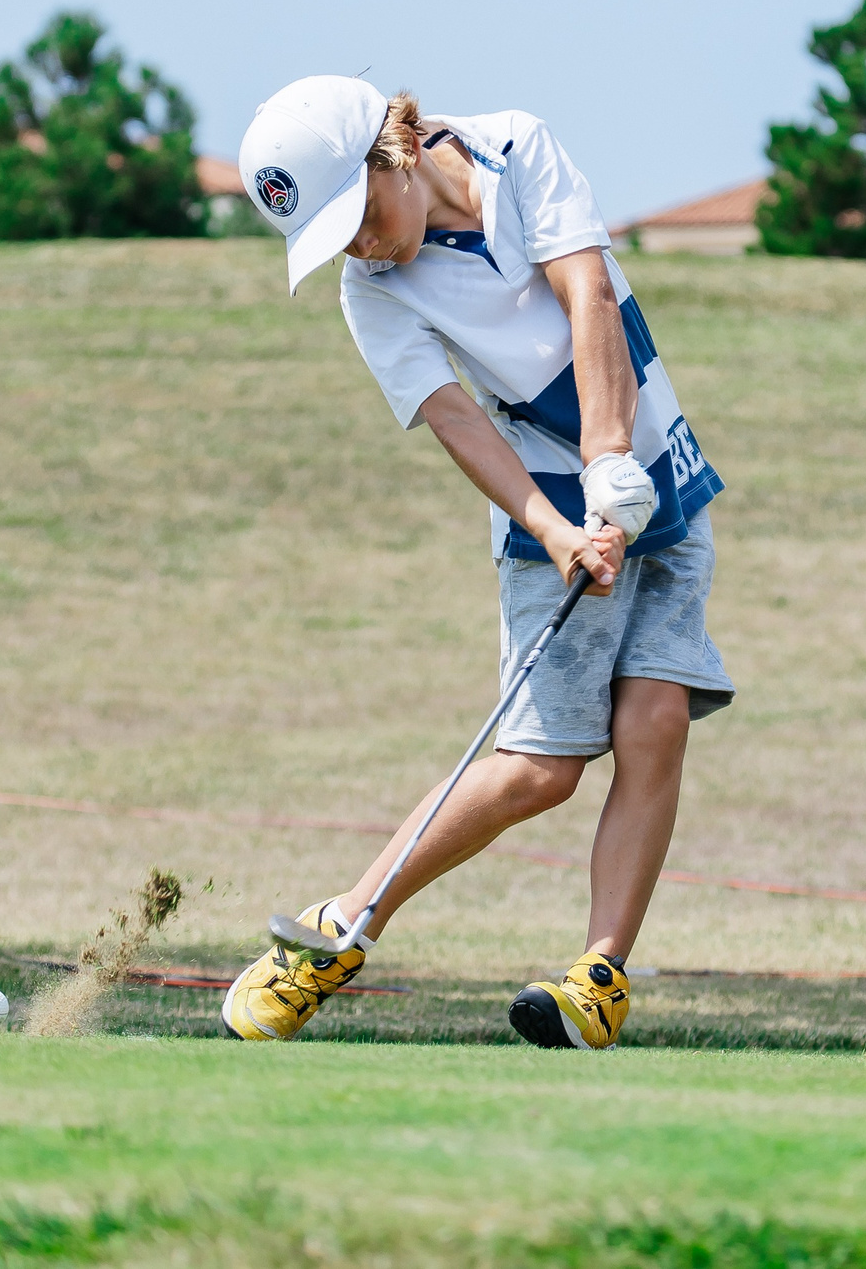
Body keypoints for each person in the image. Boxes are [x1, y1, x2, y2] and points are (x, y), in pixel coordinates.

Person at [222, 76, 729, 1050]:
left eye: (360, 216)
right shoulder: (370, 292)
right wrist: (555, 524)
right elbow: (454, 418)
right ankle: (339, 928)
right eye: (337, 238)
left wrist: (612, 457)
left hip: (651, 466)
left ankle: (598, 979)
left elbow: (585, 290)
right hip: (545, 506)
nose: (362, 246)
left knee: (657, 717)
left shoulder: (517, 147)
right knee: (540, 768)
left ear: (395, 150)